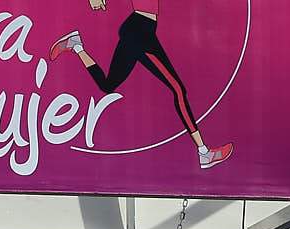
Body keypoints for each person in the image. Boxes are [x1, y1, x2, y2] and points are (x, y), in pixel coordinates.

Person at [50, 1, 233, 170]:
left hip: (138, 30)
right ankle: (204, 153)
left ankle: (76, 45)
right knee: (178, 90)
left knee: (107, 85)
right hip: (140, 31)